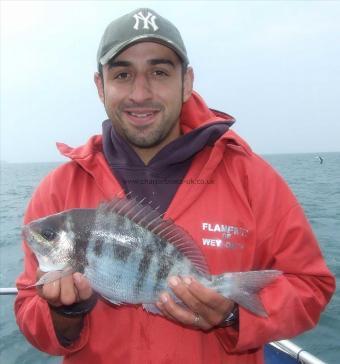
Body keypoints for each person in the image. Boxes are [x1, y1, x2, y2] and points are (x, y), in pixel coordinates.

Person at [15, 8, 335, 364]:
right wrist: (65, 314)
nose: (140, 92)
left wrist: (233, 315)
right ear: (100, 85)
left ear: (186, 82)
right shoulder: (58, 191)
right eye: (122, 74)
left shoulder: (253, 179)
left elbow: (312, 288)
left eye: (159, 72)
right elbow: (31, 316)